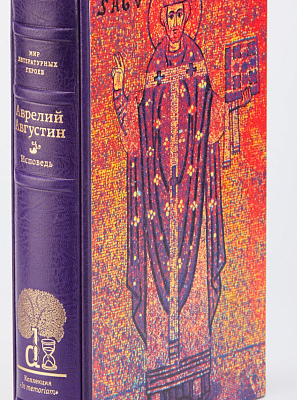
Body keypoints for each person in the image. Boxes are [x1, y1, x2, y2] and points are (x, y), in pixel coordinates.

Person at [111, 0, 250, 398]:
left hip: (192, 196)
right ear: (161, 18)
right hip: (158, 198)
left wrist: (234, 100)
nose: (175, 22)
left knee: (197, 275)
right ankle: (160, 381)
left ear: (188, 16)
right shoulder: (154, 66)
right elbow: (137, 131)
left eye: (180, 13)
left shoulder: (197, 63)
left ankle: (197, 374)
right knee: (159, 286)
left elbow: (212, 115)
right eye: (169, 14)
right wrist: (120, 90)